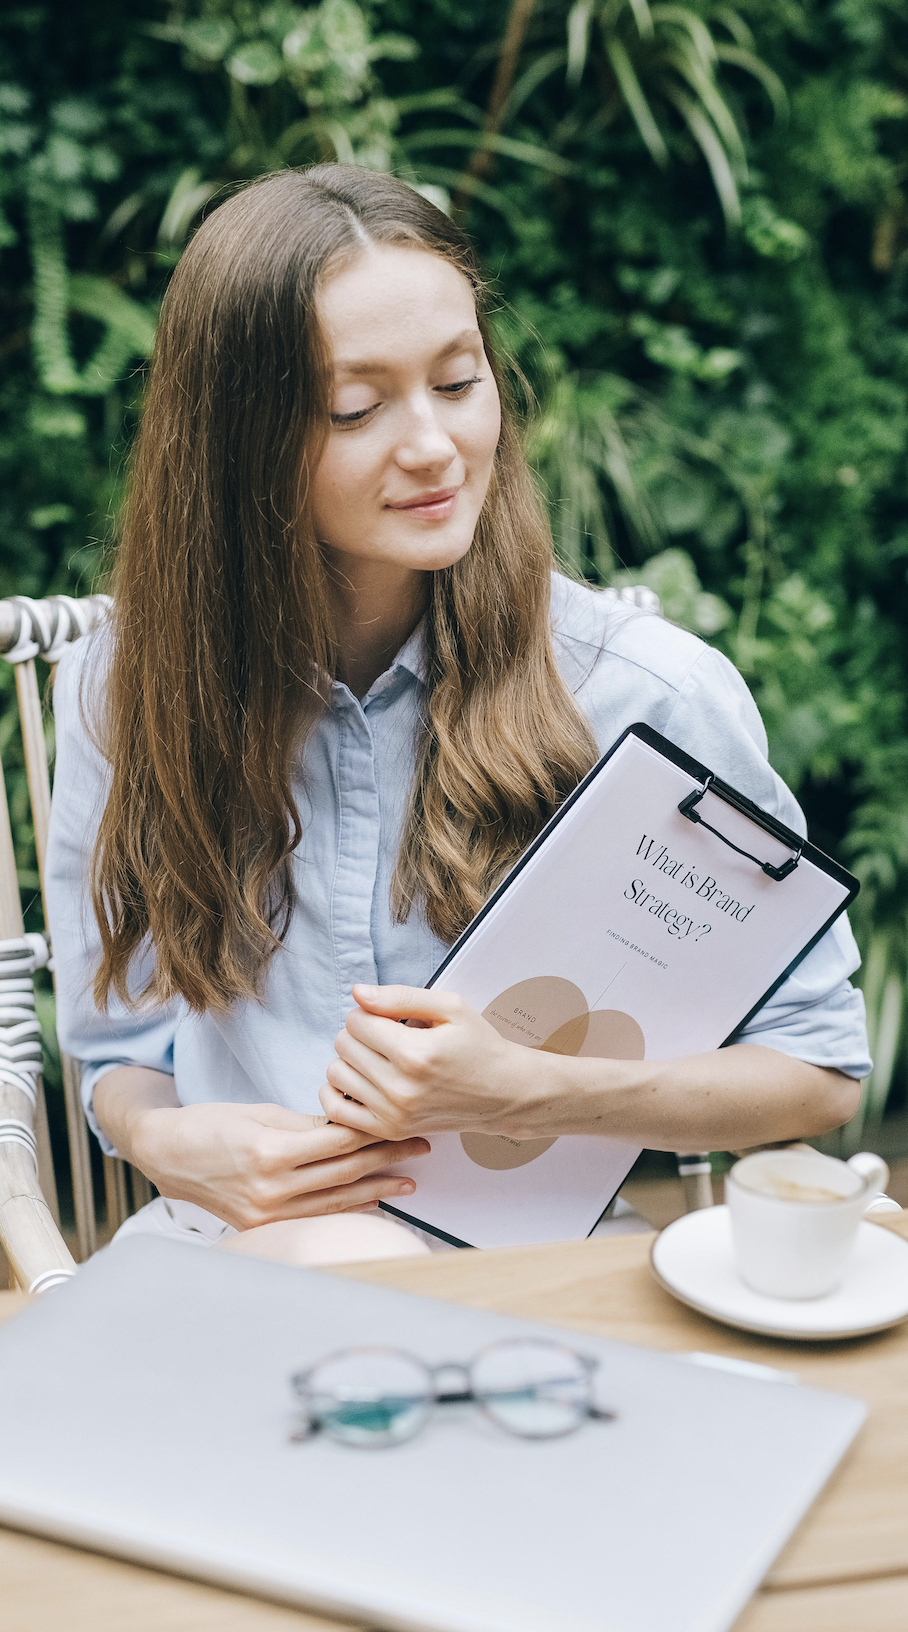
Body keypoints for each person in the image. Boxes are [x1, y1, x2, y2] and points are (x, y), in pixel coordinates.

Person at [46, 165, 869, 1265]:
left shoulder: (644, 695)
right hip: (230, 1244)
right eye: (356, 406)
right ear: (234, 442)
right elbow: (119, 1047)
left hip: (527, 1270)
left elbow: (813, 1073)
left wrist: (533, 1093)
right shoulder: (122, 687)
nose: (433, 446)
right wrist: (167, 1141)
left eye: (457, 380)